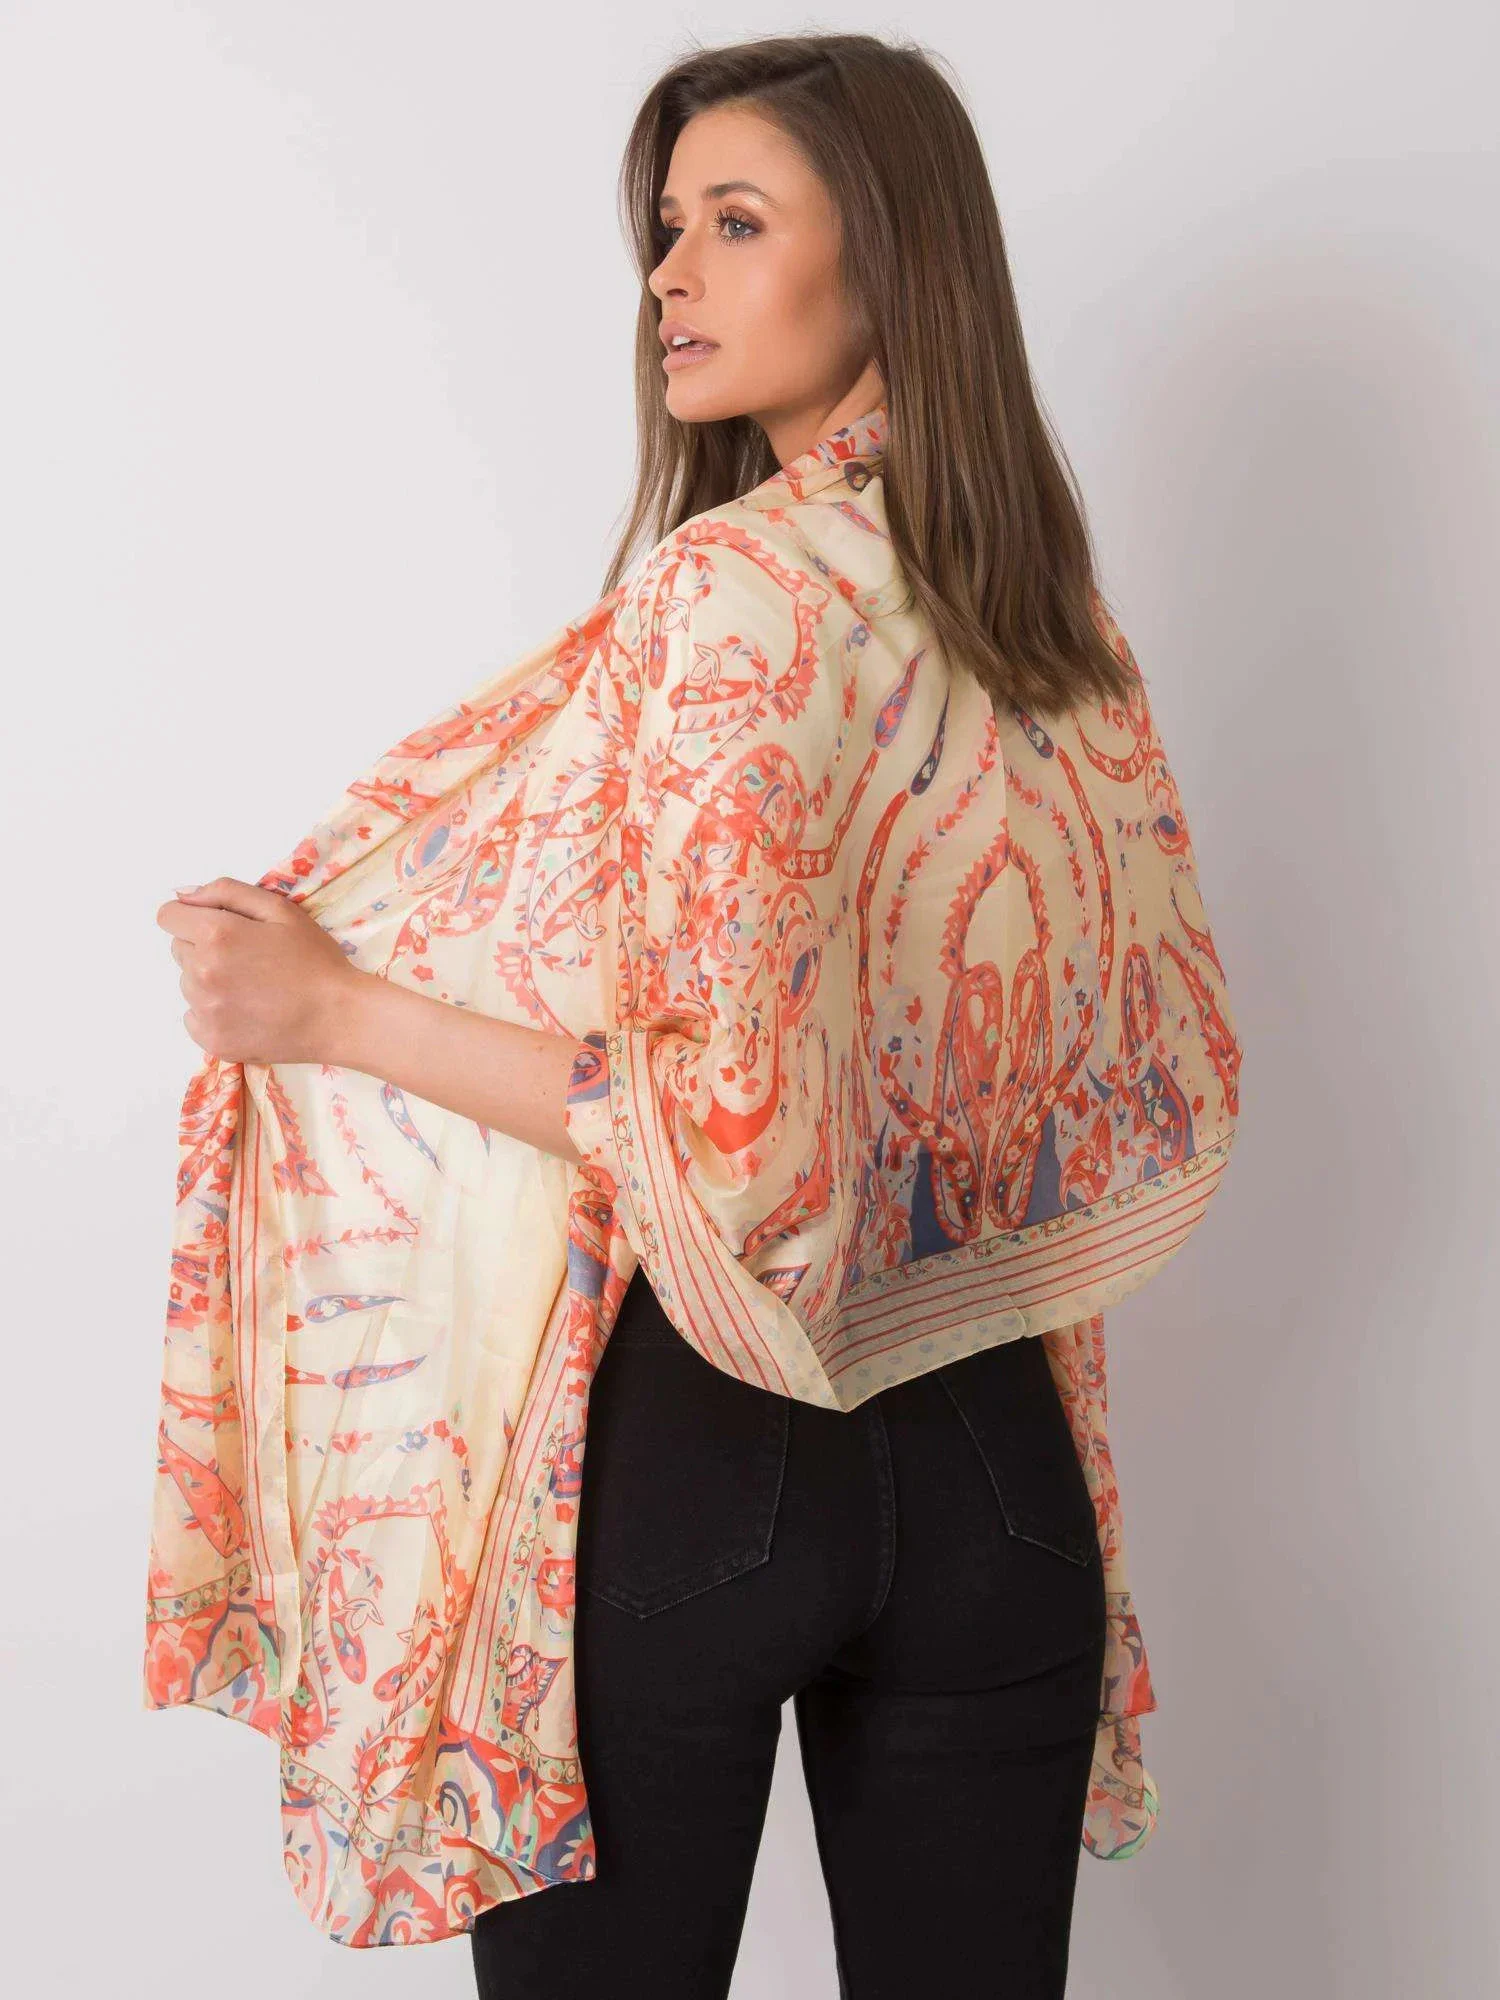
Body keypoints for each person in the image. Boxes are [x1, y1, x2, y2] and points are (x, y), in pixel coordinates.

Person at [147, 31, 1240, 1996]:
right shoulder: (1057, 624)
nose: (667, 274)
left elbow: (733, 1127)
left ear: (889, 261)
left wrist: (328, 1008)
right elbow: (1144, 1069)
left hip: (709, 1454)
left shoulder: (725, 595)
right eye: (666, 228)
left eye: (736, 223)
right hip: (996, 1463)